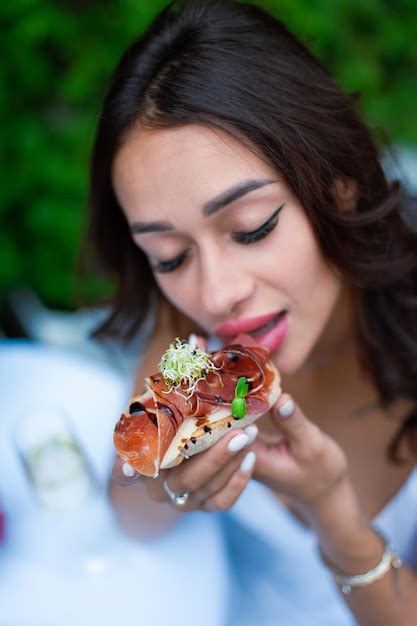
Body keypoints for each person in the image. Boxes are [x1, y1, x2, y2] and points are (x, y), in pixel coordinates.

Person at [84, 1, 417, 624]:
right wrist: (158, 481)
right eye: (170, 255)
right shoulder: (186, 337)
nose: (215, 297)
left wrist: (333, 515)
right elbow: (129, 513)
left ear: (336, 185)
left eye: (251, 228)